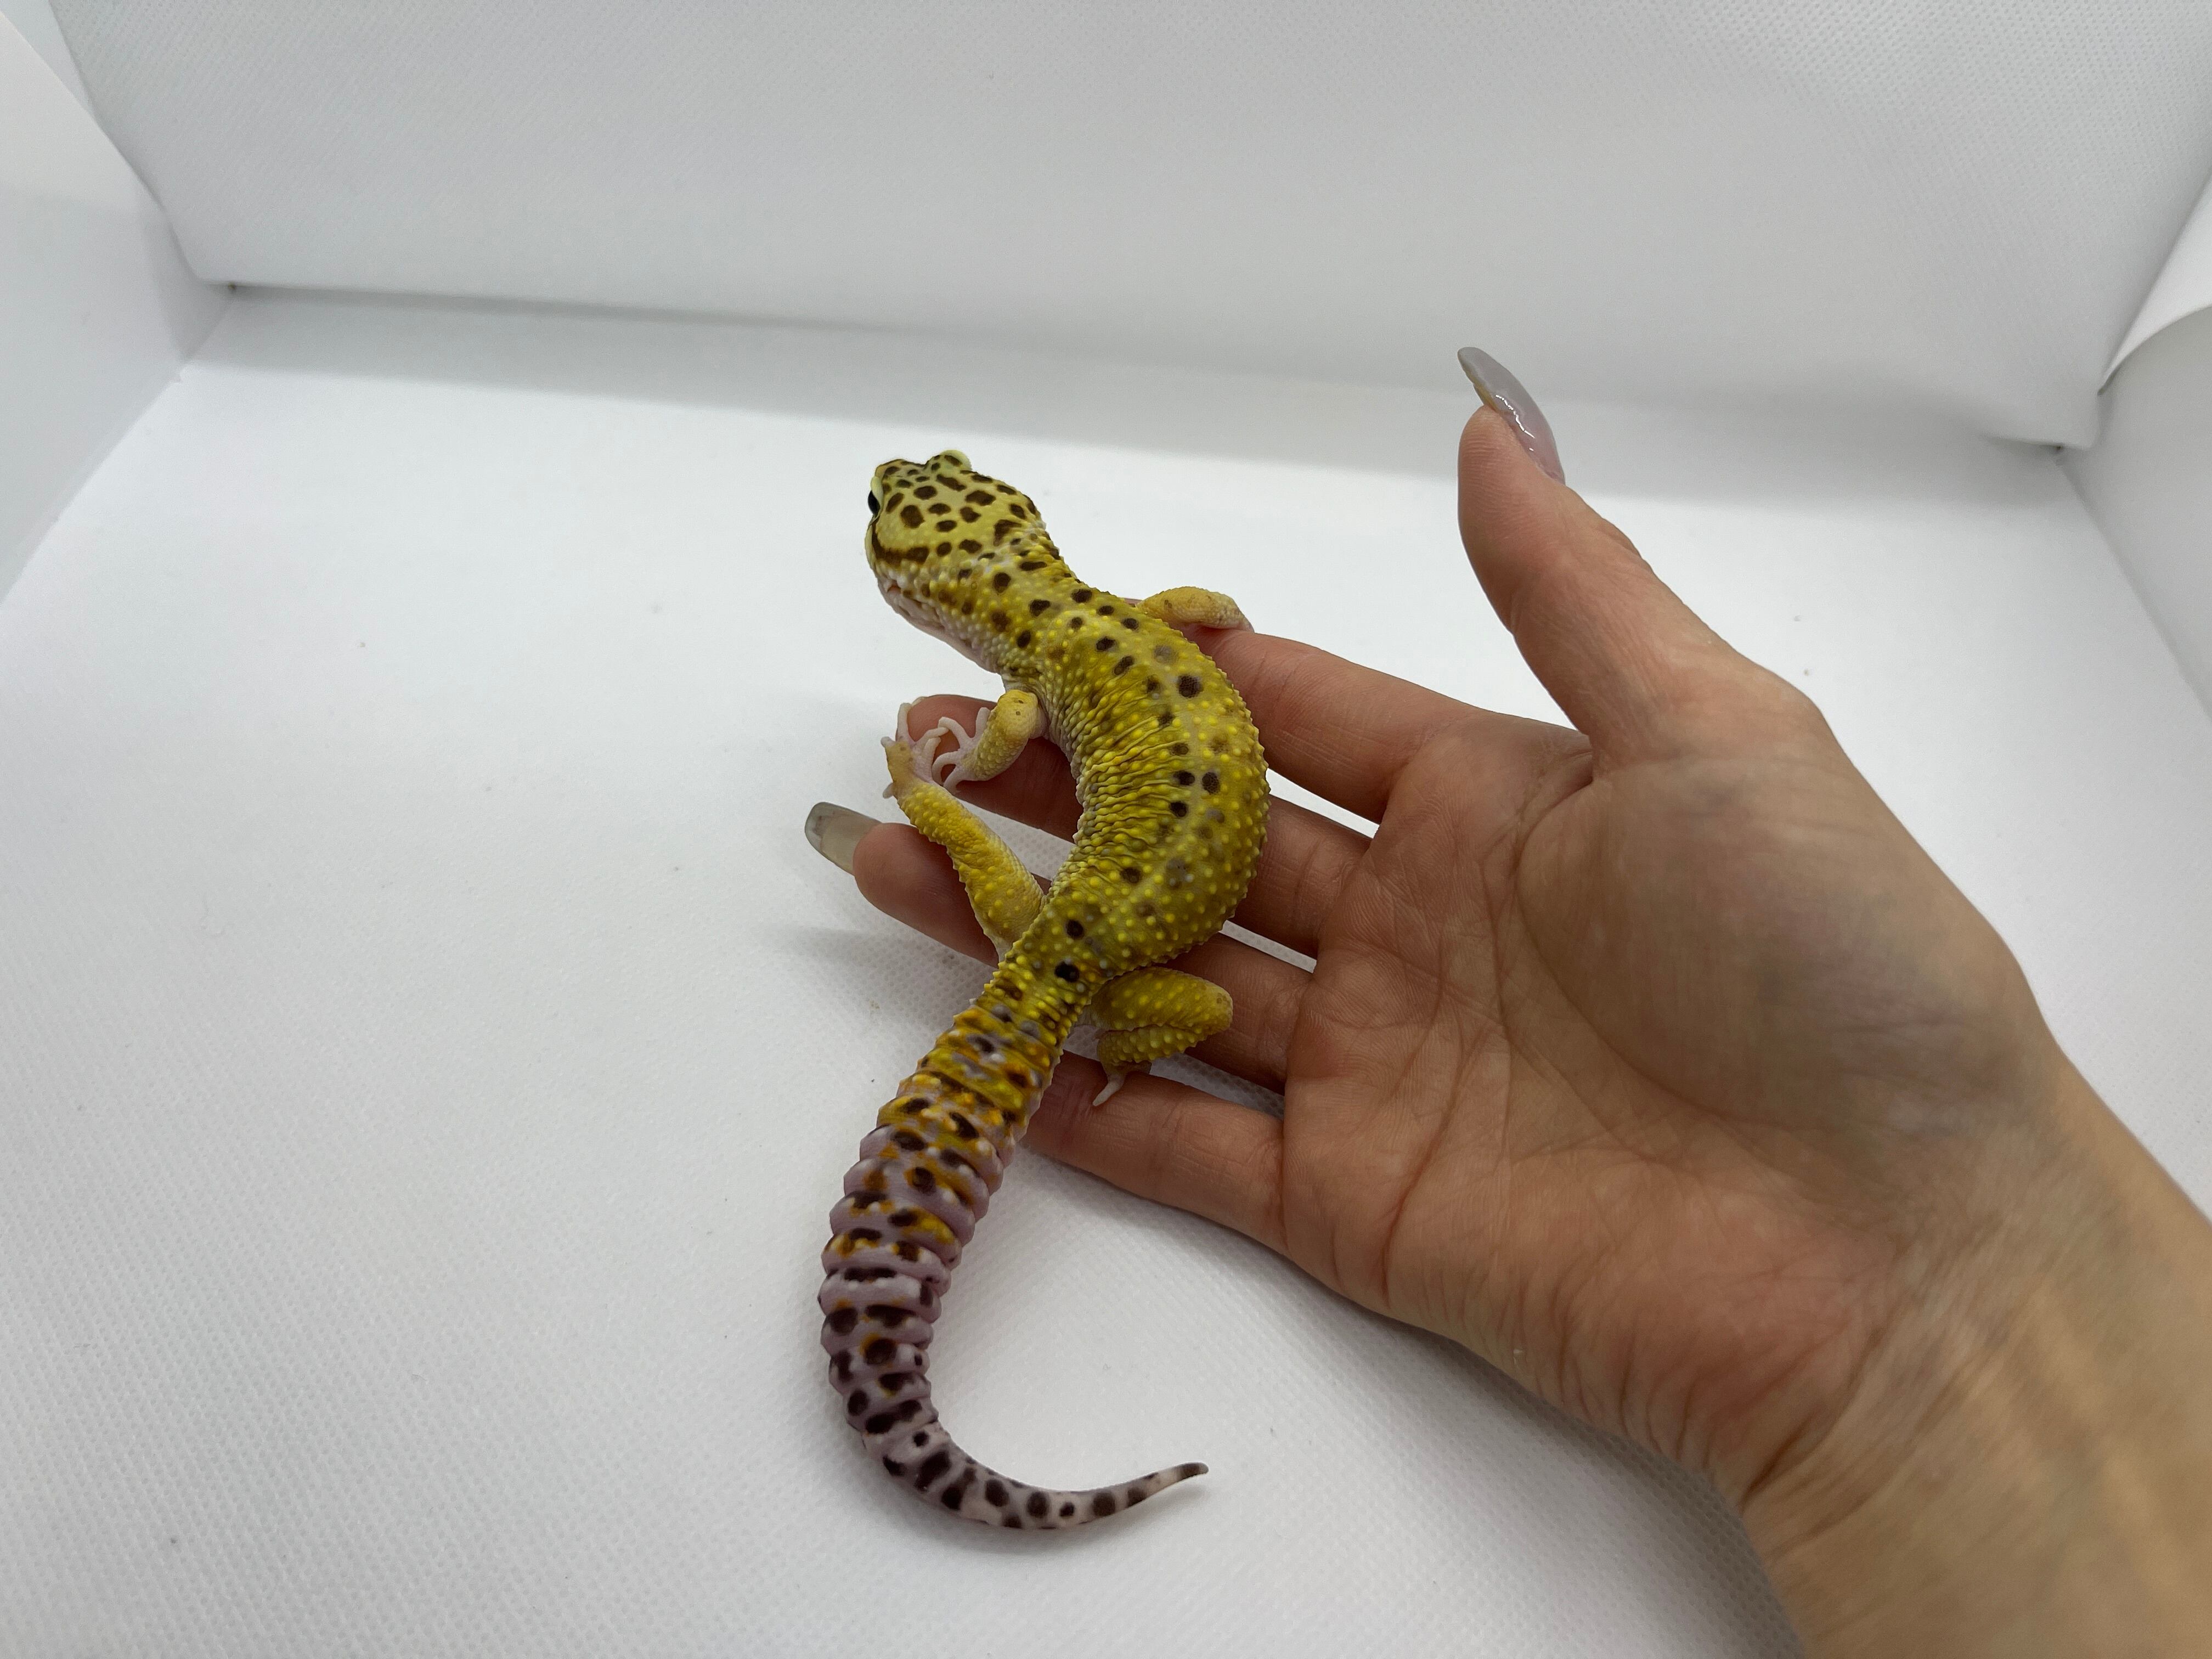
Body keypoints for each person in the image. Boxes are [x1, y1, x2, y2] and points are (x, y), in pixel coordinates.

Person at [806, 350, 2212, 1654]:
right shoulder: (1135, 616)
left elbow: (1030, 727)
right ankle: (1100, 1044)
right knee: (1159, 1008)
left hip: (1078, 951)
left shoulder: (1038, 687)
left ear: (938, 592)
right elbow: (1207, 611)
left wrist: (940, 790)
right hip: (1119, 957)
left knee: (1095, 982)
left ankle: (1059, 1011)